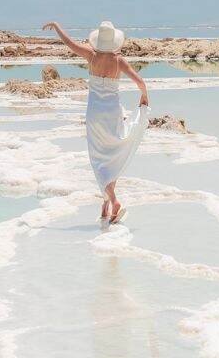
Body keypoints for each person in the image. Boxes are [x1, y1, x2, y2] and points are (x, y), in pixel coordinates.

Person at [42, 20, 149, 225]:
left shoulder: (90, 56)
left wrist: (56, 27)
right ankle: (111, 202)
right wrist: (144, 98)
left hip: (94, 115)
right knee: (113, 156)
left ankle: (110, 202)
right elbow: (141, 83)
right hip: (112, 113)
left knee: (100, 159)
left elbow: (70, 43)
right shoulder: (119, 61)